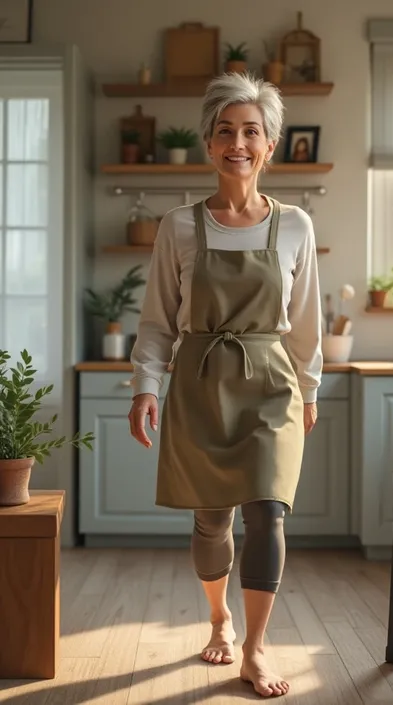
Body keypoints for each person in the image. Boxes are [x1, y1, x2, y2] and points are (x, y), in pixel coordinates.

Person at [128, 71, 323, 698]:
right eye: (225, 131)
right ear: (210, 145)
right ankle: (220, 621)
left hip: (272, 383)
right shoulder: (179, 227)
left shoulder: (295, 226)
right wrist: (145, 389)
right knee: (213, 521)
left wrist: (311, 391)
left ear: (269, 145)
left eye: (251, 131)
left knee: (268, 512)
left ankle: (257, 651)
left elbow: (308, 324)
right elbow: (157, 321)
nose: (238, 142)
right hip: (201, 380)